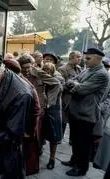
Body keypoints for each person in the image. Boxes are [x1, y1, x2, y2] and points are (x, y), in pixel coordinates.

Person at [62, 48, 110, 176]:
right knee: (75, 140)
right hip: (76, 111)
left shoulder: (101, 74)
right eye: (85, 57)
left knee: (83, 144)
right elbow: (69, 82)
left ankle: (81, 168)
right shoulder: (88, 69)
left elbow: (81, 89)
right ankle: (74, 161)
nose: (85, 60)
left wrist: (75, 85)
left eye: (88, 58)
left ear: (98, 59)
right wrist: (75, 84)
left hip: (86, 114)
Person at [3, 59, 41, 176]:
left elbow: (36, 110)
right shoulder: (16, 81)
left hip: (26, 128)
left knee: (23, 157)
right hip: (22, 126)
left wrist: (29, 131)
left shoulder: (23, 85)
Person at [18, 54, 60, 155]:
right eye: (24, 68)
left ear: (32, 65)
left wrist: (49, 102)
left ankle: (37, 150)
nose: (26, 70)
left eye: (28, 67)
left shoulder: (39, 73)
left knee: (37, 131)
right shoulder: (18, 73)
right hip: (24, 106)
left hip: (38, 107)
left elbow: (56, 83)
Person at [41, 62, 64, 170]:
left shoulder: (58, 79)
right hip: (43, 108)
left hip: (53, 109)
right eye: (45, 70)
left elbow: (52, 97)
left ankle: (52, 158)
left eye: (49, 71)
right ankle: (39, 151)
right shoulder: (41, 77)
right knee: (41, 133)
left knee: (53, 136)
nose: (47, 73)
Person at [58, 51, 83, 142]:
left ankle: (72, 139)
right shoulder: (62, 69)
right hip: (66, 97)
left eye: (80, 57)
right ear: (71, 58)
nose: (80, 59)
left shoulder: (79, 69)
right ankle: (60, 137)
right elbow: (60, 85)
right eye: (77, 57)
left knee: (74, 119)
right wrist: (70, 84)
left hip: (76, 97)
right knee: (63, 119)